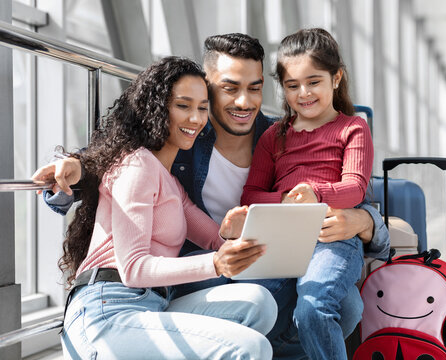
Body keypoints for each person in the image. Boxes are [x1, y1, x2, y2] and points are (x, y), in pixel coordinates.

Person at [33, 33, 390, 358]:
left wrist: (365, 221)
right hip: (179, 276)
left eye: (255, 88)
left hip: (244, 260)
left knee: (342, 305)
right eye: (229, 88)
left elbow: (352, 189)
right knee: (301, 299)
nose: (243, 101)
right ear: (206, 88)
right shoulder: (180, 137)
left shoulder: (280, 133)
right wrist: (72, 168)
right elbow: (107, 159)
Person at [42, 56, 277, 359]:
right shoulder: (136, 164)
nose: (195, 118)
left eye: (202, 108)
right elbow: (134, 268)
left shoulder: (170, 184)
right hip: (106, 314)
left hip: (152, 304)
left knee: (259, 303)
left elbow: (215, 239)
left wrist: (236, 230)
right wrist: (216, 263)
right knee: (251, 348)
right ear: (156, 107)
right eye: (183, 106)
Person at [241, 28, 372, 359]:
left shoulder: (353, 128)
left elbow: (355, 188)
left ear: (336, 78)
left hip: (334, 240)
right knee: (255, 308)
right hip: (280, 239)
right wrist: (286, 201)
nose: (304, 93)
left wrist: (316, 193)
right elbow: (250, 196)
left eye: (313, 82)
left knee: (314, 308)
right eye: (292, 85)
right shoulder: (274, 136)